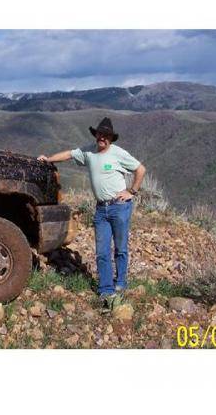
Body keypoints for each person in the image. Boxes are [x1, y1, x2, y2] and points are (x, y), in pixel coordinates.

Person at [37, 117, 146, 312]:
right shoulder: (89, 152)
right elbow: (70, 154)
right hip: (100, 209)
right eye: (100, 134)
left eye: (106, 135)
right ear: (96, 135)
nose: (102, 138)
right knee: (102, 251)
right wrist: (49, 159)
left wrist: (132, 191)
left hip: (119, 206)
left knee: (120, 248)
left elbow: (140, 169)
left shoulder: (118, 153)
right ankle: (106, 289)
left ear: (111, 138)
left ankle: (120, 282)